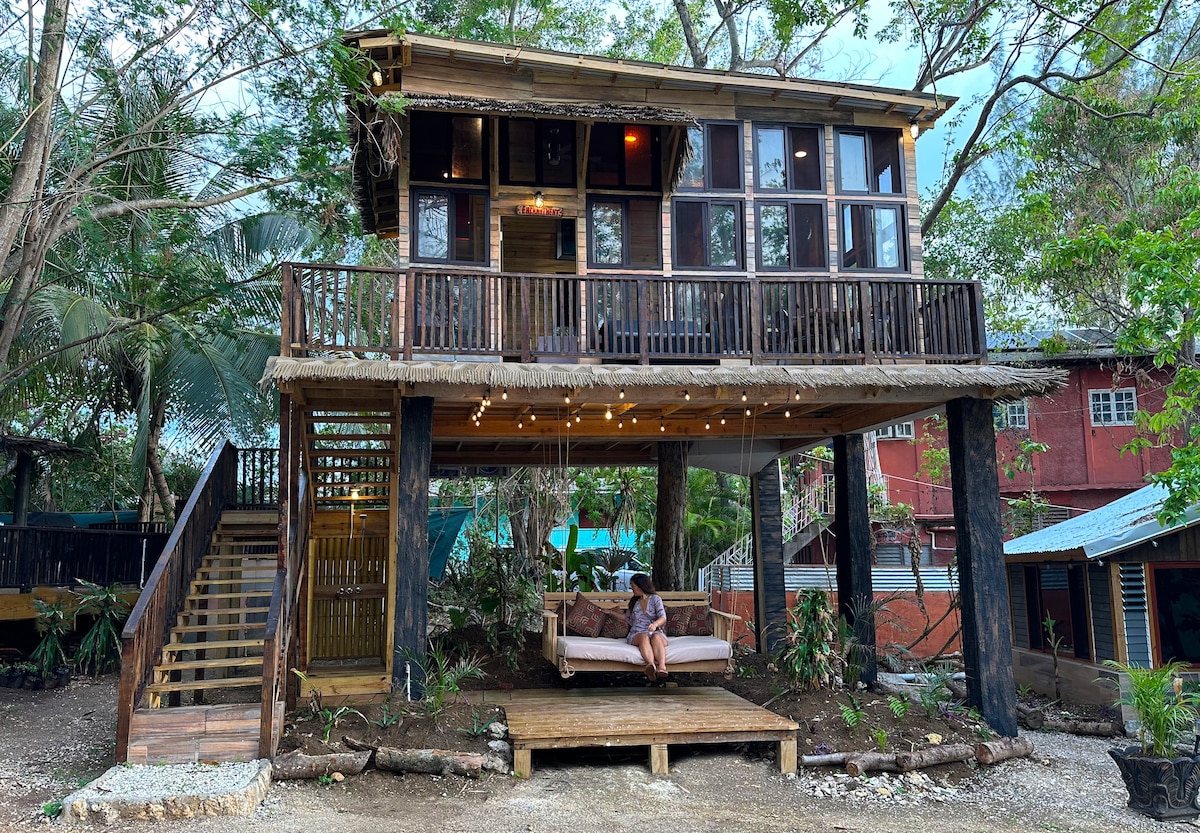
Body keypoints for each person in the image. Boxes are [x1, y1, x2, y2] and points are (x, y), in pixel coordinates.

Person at [623, 573, 668, 681]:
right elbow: (627, 618)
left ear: (640, 586)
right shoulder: (634, 602)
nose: (632, 589)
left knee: (656, 637)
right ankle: (651, 666)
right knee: (643, 637)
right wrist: (610, 612)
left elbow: (663, 617)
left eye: (633, 586)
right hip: (637, 633)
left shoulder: (655, 599)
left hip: (655, 631)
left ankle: (662, 667)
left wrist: (655, 624)